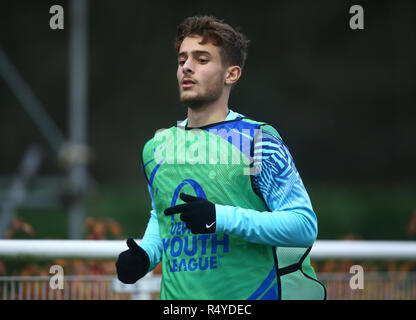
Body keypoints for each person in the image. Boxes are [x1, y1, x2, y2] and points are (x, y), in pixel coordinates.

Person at [116, 15, 326, 300]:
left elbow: (302, 226)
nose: (187, 67)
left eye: (202, 60)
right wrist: (147, 253)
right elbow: (163, 216)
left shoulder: (259, 141)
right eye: (182, 60)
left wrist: (220, 217)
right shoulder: (155, 148)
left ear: (231, 74)